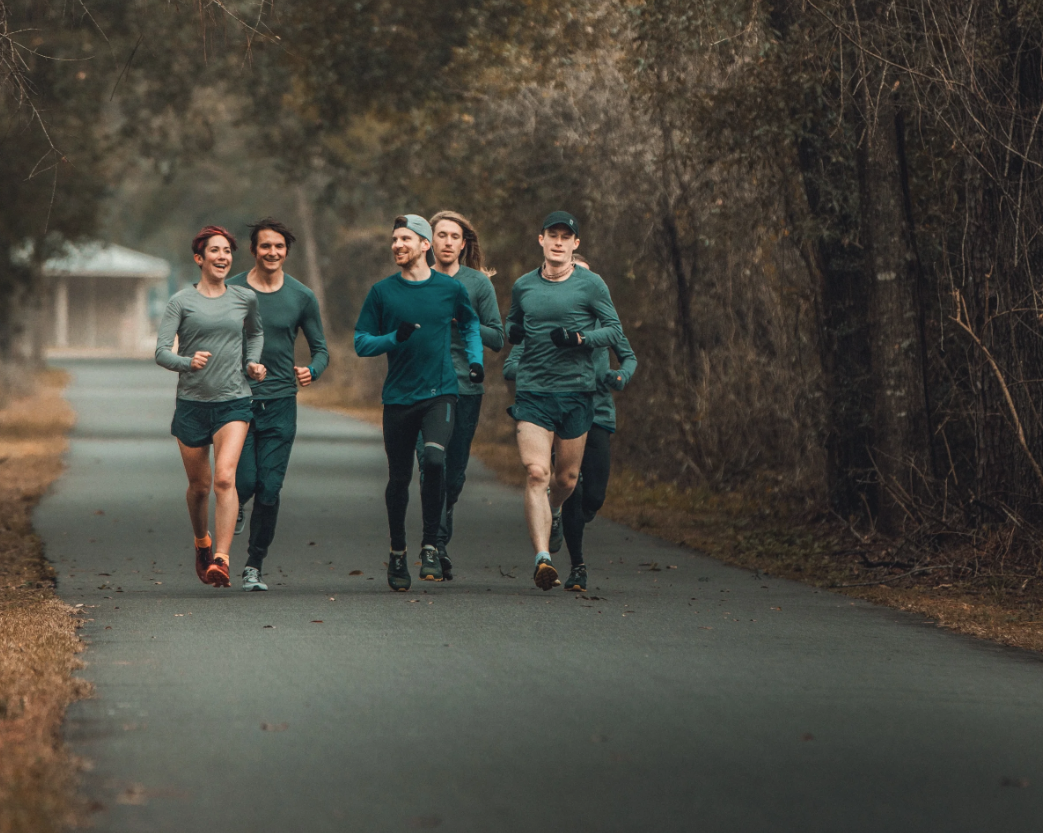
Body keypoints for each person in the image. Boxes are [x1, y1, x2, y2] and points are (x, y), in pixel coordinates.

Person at [354, 214, 484, 591]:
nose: (397, 245)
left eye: (405, 239)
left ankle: (430, 544)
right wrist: (394, 338)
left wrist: (475, 361)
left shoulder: (449, 289)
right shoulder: (382, 292)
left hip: (440, 393)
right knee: (398, 478)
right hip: (398, 398)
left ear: (425, 245)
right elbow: (361, 341)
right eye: (394, 240)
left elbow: (471, 324)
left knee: (434, 458)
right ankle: (398, 553)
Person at [504, 256, 637, 592]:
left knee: (590, 494)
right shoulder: (548, 327)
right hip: (552, 405)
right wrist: (532, 375)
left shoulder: (602, 327)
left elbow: (629, 358)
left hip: (599, 411)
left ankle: (556, 510)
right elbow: (512, 361)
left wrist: (619, 376)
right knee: (564, 485)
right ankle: (577, 566)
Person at [155, 226, 265, 588]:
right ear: (199, 259)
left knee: (224, 478)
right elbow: (161, 353)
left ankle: (222, 558)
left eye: (227, 251)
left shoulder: (245, 298)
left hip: (234, 400)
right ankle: (202, 543)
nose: (222, 257)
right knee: (199, 486)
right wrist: (188, 362)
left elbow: (255, 333)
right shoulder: (181, 302)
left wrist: (252, 362)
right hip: (191, 404)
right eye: (214, 251)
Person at [226, 218, 329, 592]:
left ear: (287, 252)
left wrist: (312, 371)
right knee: (246, 479)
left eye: (279, 247)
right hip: (236, 400)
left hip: (283, 402)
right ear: (254, 250)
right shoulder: (232, 289)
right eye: (265, 246)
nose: (272, 252)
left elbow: (321, 349)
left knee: (270, 489)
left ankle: (254, 565)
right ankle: (235, 503)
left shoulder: (301, 296)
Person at [414, 210, 504, 580]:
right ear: (429, 241)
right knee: (430, 464)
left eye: (455, 236)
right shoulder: (415, 279)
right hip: (423, 387)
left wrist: (463, 321)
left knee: (453, 474)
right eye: (441, 235)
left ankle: (439, 539)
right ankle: (431, 545)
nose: (448, 242)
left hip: (466, 388)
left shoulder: (478, 285)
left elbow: (498, 338)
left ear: (463, 244)